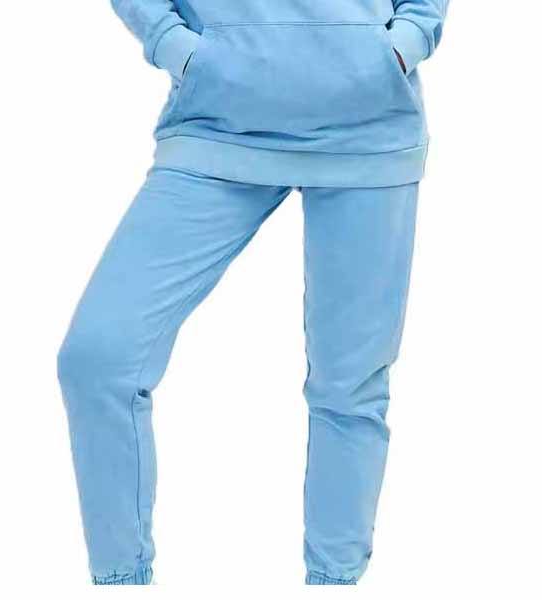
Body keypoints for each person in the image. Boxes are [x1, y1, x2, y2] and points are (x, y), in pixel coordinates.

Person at [58, 0, 448, 585]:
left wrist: (403, 42)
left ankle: (334, 582)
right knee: (97, 357)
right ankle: (121, 580)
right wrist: (174, 45)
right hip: (216, 125)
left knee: (349, 389)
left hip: (368, 132)